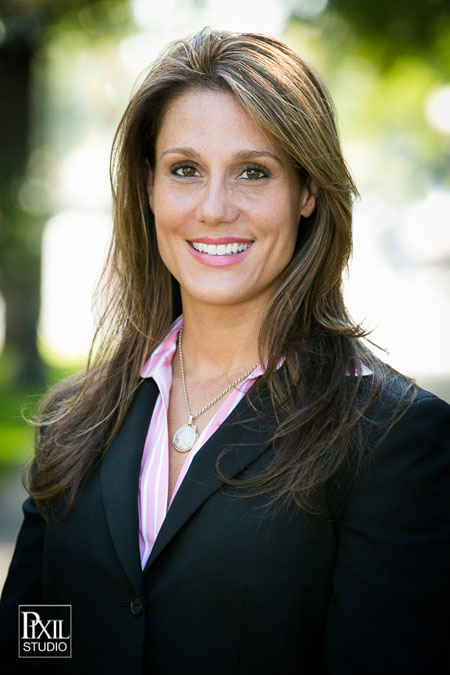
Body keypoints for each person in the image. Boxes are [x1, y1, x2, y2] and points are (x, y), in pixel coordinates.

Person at [1, 27, 449, 675]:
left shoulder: (390, 438)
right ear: (149, 187)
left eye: (253, 172)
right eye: (185, 169)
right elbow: (39, 641)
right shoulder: (75, 418)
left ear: (308, 191)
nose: (214, 208)